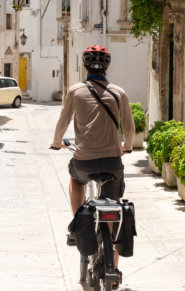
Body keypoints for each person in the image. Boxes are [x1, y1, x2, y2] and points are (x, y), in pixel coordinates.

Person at [50, 44, 134, 276]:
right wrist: (127, 145)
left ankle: (78, 225)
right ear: (107, 67)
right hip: (112, 163)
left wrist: (57, 141)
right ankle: (114, 269)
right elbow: (129, 127)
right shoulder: (119, 92)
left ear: (85, 66)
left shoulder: (76, 91)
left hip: (84, 161)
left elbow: (63, 121)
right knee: (113, 208)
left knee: (76, 180)